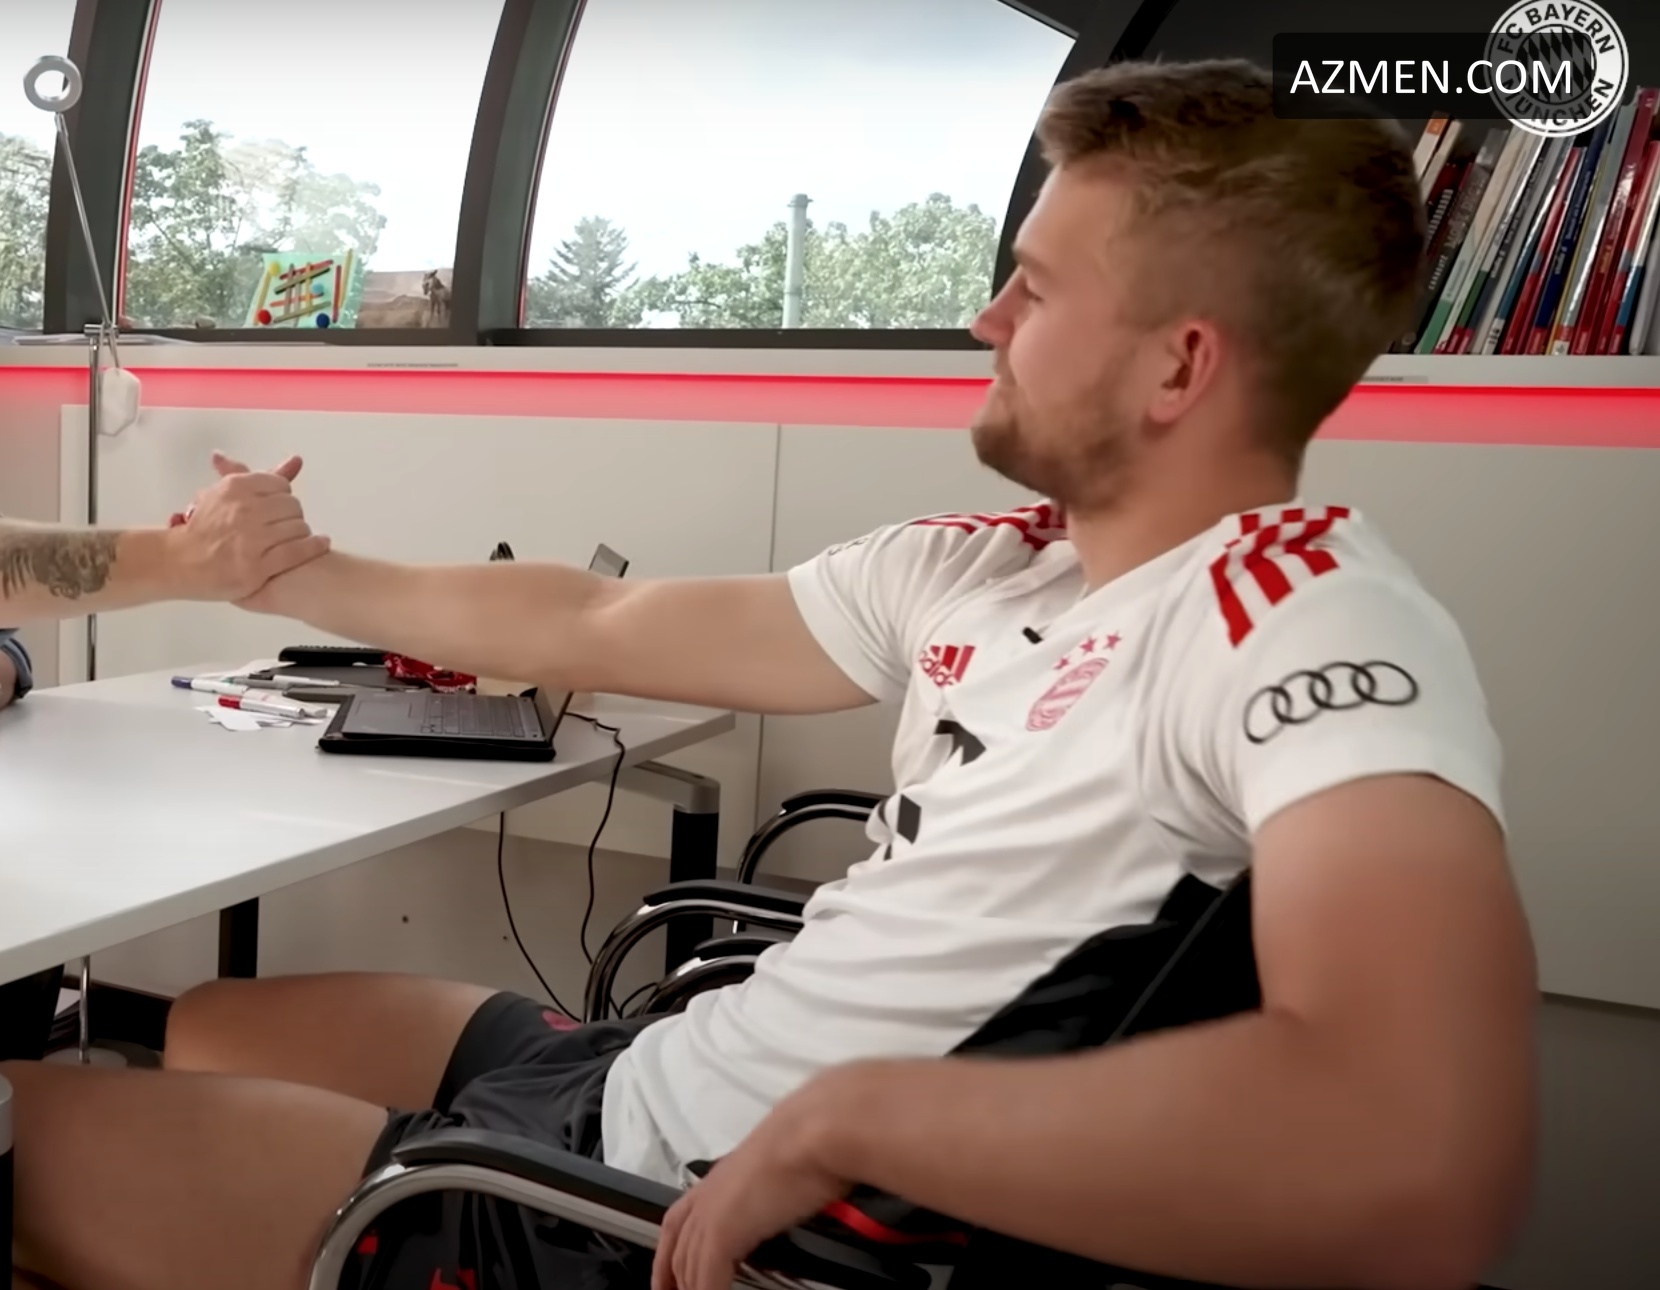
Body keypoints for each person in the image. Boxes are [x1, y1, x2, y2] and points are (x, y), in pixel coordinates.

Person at [2, 59, 1536, 1290]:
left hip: (653, 1202)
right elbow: (598, 624)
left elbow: (1416, 1158)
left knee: (35, 1130)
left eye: (1034, 288)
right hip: (662, 1067)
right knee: (214, 1021)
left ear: (1180, 365)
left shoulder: (1304, 617)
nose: (985, 319)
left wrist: (861, 1119)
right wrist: (286, 570)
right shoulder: (984, 566)